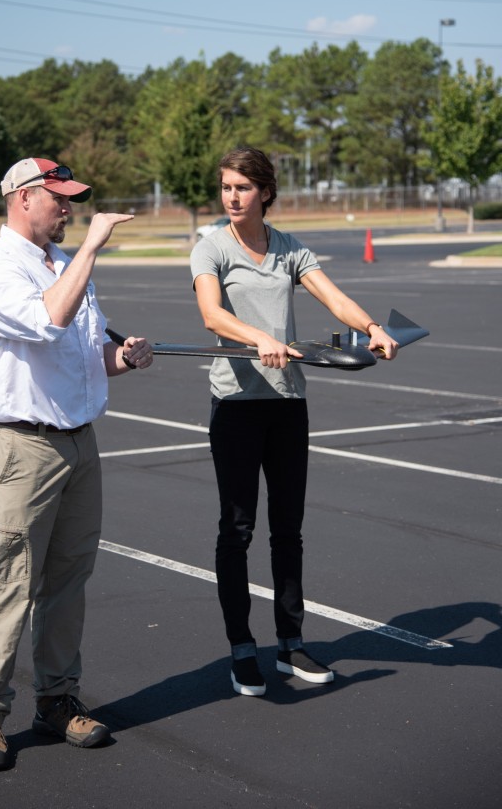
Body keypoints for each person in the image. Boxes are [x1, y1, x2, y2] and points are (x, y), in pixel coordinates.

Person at [0, 157, 153, 770]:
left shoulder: (63, 265)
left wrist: (124, 357)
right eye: (59, 199)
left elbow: (86, 354)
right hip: (22, 445)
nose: (69, 210)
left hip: (76, 440)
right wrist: (94, 246)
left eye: (73, 201)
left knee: (68, 580)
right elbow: (49, 320)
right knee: (13, 582)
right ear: (22, 199)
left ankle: (57, 700)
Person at [190, 146, 398, 697]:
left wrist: (372, 327)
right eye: (226, 187)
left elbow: (333, 298)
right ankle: (241, 649)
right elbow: (212, 314)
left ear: (264, 192)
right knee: (236, 531)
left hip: (286, 404)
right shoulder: (210, 248)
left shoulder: (288, 248)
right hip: (234, 404)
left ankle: (290, 642)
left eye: (242, 187)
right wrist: (259, 337)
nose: (232, 197)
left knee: (288, 530)